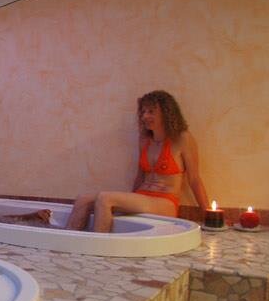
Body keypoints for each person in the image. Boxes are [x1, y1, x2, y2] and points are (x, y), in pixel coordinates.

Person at [65, 90, 210, 232]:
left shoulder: (183, 138)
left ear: (166, 113)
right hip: (142, 197)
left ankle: (98, 246)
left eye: (151, 111)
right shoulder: (144, 139)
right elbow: (140, 176)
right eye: (143, 112)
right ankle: (67, 242)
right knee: (83, 199)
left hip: (165, 201)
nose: (145, 116)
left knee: (105, 198)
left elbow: (194, 180)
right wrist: (128, 202)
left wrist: (209, 215)